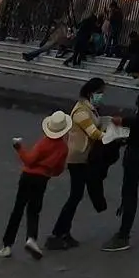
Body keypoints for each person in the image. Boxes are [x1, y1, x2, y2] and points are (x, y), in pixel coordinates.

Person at [46, 77, 111, 248]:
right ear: (91, 92)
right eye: (100, 92)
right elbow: (93, 133)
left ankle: (63, 232)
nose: (102, 96)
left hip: (84, 156)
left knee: (76, 195)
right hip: (77, 158)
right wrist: (112, 137)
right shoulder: (81, 111)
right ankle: (57, 233)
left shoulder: (90, 108)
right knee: (75, 196)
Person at [104, 61, 139, 252]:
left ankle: (123, 234)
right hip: (138, 143)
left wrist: (124, 121)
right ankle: (123, 230)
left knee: (129, 188)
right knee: (128, 187)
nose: (134, 79)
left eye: (135, 75)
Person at [0, 110, 71, 259]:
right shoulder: (63, 148)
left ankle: (7, 245)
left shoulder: (44, 142)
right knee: (34, 210)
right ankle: (31, 238)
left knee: (18, 209)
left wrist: (19, 148)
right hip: (42, 180)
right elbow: (58, 169)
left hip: (27, 176)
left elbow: (29, 160)